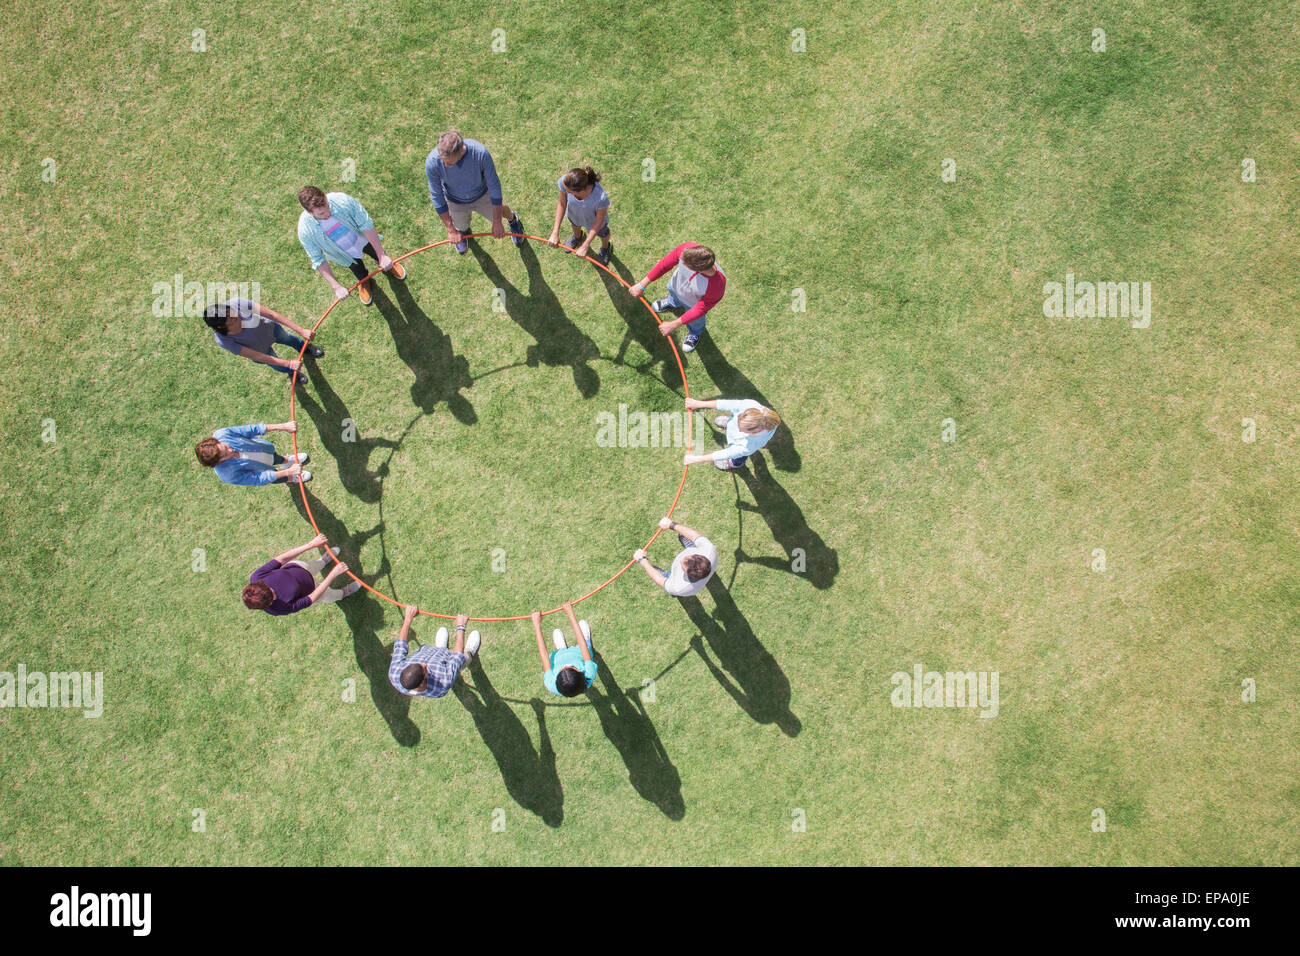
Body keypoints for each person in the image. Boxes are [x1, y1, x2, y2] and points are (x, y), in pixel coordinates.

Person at [296, 186, 406, 308]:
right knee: (357, 269)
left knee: (376, 253)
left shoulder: (342, 200)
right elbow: (318, 260)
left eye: (327, 205)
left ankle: (385, 263)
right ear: (309, 212)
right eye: (321, 213)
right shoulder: (305, 231)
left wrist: (382, 254)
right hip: (344, 254)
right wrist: (336, 287)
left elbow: (366, 224)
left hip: (362, 239)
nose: (328, 213)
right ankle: (363, 281)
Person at [425, 130, 526, 255]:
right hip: (455, 200)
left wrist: (497, 221)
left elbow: (494, 186)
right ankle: (462, 232)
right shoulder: (432, 162)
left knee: (501, 212)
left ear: (461, 150)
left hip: (482, 194)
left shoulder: (480, 153)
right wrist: (451, 230)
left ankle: (513, 220)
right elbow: (437, 196)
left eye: (449, 163)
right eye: (443, 160)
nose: (444, 165)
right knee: (460, 226)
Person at [627, 242, 726, 353]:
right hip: (675, 287)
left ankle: (695, 333)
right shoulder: (686, 250)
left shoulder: (717, 284)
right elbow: (664, 264)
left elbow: (701, 308)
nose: (680, 260)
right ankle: (672, 301)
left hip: (692, 304)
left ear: (698, 270)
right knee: (673, 292)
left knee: (696, 321)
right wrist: (642, 285)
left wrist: (673, 324)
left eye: (685, 264)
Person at [203, 296, 322, 388]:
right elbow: (256, 355)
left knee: (288, 338)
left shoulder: (237, 303)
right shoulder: (223, 340)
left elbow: (271, 314)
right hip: (260, 350)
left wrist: (300, 330)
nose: (235, 316)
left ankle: (305, 348)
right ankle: (292, 372)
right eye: (229, 319)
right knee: (277, 365)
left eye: (231, 312)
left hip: (271, 330)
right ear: (220, 327)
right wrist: (288, 364)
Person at [242, 534, 359, 615]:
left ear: (261, 583)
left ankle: (323, 561)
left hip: (300, 568)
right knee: (330, 595)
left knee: (315, 564)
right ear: (267, 605)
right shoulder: (277, 609)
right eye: (272, 599)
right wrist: (333, 574)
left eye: (271, 591)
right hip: (312, 591)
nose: (275, 595)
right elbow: (311, 598)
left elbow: (281, 559)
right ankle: (344, 592)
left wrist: (310, 545)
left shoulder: (257, 576)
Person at [389, 606, 480, 699]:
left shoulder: (394, 673)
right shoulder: (443, 683)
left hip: (431, 653)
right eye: (424, 669)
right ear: (422, 682)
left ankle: (441, 648)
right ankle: (470, 651)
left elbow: (400, 646)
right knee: (462, 661)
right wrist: (461, 626)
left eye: (419, 664)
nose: (425, 665)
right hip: (446, 662)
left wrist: (408, 618)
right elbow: (457, 657)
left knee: (441, 652)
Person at [194, 421, 310, 486]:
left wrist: (283, 426)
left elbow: (252, 429)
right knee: (277, 477)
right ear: (217, 462)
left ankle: (286, 461)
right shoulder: (227, 474)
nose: (230, 450)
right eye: (225, 455)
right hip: (264, 472)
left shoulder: (222, 434)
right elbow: (258, 478)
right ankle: (291, 477)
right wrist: (288, 472)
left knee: (275, 457)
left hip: (265, 451)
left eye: (225, 447)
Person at [682, 397, 780, 471]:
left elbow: (726, 453)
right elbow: (726, 404)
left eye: (743, 430)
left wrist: (696, 459)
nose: (740, 431)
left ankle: (734, 463)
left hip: (743, 450)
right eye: (738, 423)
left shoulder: (747, 446)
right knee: (735, 423)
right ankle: (730, 423)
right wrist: (699, 404)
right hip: (746, 427)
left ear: (756, 431)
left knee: (738, 456)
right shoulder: (750, 406)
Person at [632, 516, 718, 597]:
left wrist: (642, 560)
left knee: (667, 577)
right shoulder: (709, 550)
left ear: (688, 573)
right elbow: (694, 535)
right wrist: (671, 524)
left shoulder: (678, 588)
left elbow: (659, 579)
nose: (681, 560)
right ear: (698, 556)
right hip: (696, 560)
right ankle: (691, 546)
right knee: (688, 538)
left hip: (674, 577)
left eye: (683, 566)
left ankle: (667, 575)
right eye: (689, 556)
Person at [546, 166, 611, 265]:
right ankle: (577, 236)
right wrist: (555, 232)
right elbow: (562, 203)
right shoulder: (566, 181)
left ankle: (605, 248)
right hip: (574, 215)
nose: (565, 191)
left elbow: (598, 222)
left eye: (569, 192)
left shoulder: (600, 198)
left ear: (580, 191)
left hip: (595, 223)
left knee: (603, 234)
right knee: (575, 225)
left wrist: (585, 245)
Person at [533, 605, 595, 699]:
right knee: (586, 645)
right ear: (580, 672)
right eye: (571, 667)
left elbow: (544, 654)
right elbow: (582, 646)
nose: (566, 665)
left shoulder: (551, 684)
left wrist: (536, 625)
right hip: (578, 653)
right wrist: (571, 614)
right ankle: (587, 639)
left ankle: (561, 650)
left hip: (559, 658)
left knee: (551, 660)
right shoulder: (589, 673)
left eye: (561, 670)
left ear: (556, 680)